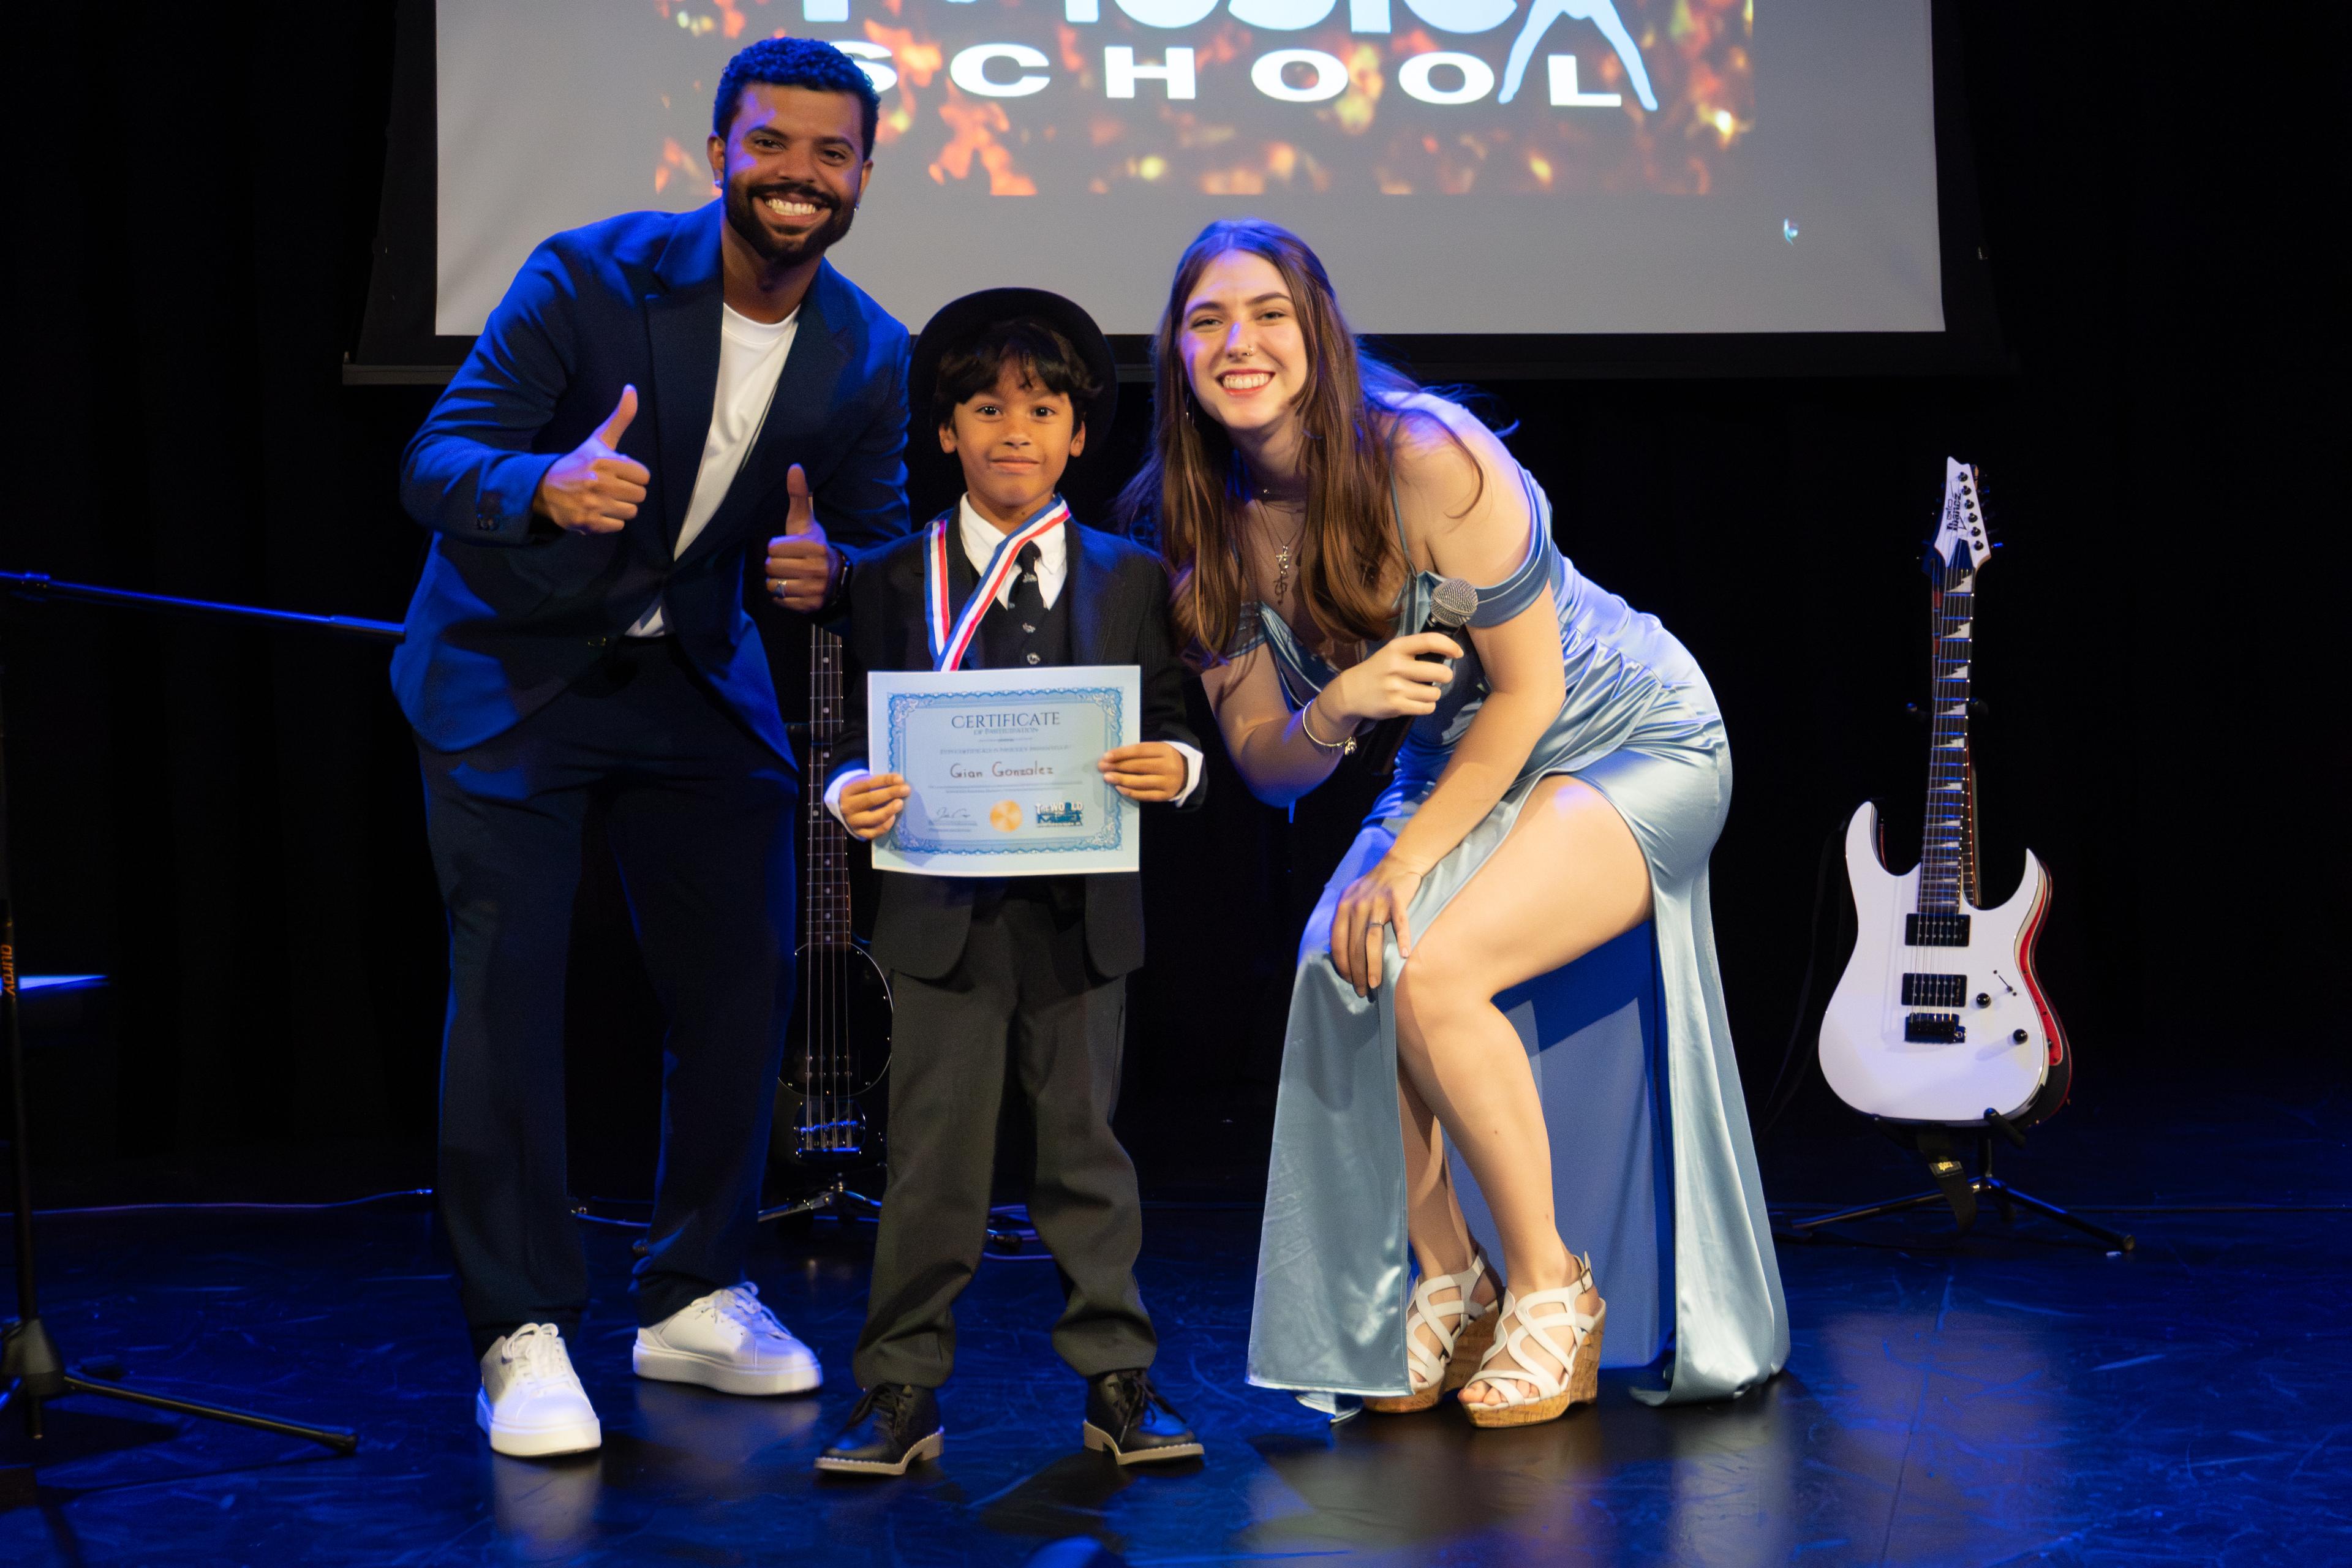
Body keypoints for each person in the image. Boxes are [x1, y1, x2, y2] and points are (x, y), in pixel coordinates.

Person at [1128, 219, 1785, 1423]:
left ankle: (1551, 1286)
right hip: (1458, 758)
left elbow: (1530, 691)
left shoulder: (1427, 453)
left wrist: (1409, 856)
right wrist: (1334, 708)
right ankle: (1452, 1275)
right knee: (1344, 960)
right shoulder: (1199, 530)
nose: (1240, 342)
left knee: (1430, 969)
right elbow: (1270, 766)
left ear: (1317, 330)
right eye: (1208, 318)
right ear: (1175, 351)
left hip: (1626, 734)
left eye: (1268, 312)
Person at [395, 37, 911, 1458]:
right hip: (513, 673)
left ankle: (692, 1290)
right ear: (718, 155)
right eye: (772, 145)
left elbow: (868, 535)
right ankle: (518, 1326)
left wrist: (833, 569)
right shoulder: (588, 274)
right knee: (509, 993)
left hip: (692, 677)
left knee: (746, 982)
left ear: (863, 173)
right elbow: (436, 460)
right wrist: (543, 484)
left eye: (830, 153)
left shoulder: (868, 348)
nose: (798, 176)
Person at [811, 290, 1207, 1476]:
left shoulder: (1135, 577)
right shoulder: (885, 578)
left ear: (1080, 434)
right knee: (932, 1159)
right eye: (986, 408)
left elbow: (1177, 718)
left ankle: (1118, 1382)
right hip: (939, 917)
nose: (1014, 431)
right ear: (947, 432)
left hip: (1084, 917)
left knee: (1085, 1153)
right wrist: (847, 796)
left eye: (1041, 409)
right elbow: (845, 739)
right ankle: (899, 1390)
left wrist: (1173, 766)